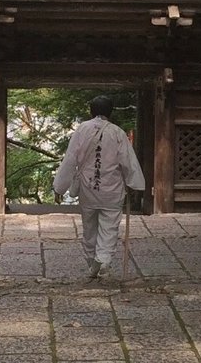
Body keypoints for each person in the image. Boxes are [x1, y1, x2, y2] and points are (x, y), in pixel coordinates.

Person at [53, 95, 145, 277]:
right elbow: (128, 161)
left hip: (88, 189)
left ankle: (91, 261)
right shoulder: (118, 133)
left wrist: (59, 187)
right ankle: (103, 259)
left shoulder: (82, 130)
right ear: (111, 112)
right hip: (112, 188)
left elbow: (70, 159)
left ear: (91, 110)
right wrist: (134, 184)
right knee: (109, 226)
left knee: (89, 226)